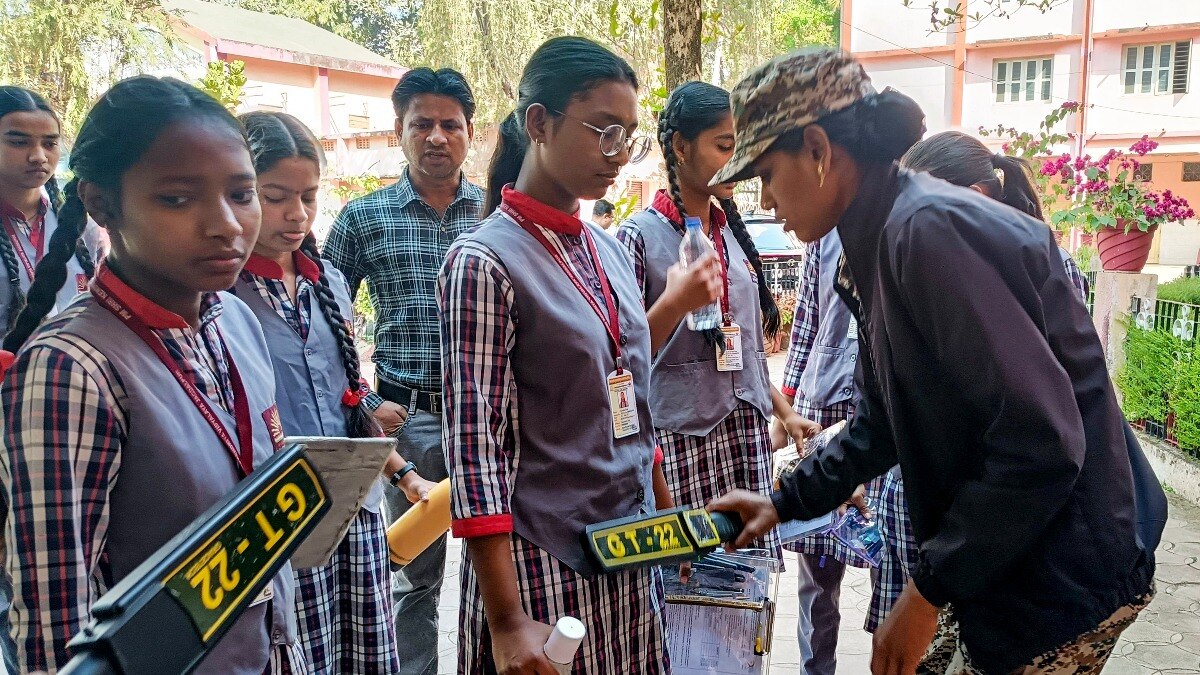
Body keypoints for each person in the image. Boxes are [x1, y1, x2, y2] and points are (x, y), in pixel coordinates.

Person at [709, 49, 1166, 675]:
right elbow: (884, 423)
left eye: (765, 171)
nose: (765, 197)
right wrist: (784, 501)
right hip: (1005, 552)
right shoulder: (873, 237)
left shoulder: (926, 230)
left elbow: (1040, 442)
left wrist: (924, 593)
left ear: (817, 150)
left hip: (1065, 567)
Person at [0, 76, 305, 673]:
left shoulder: (236, 320)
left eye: (242, 195)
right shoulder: (70, 370)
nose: (226, 225)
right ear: (101, 204)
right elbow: (56, 625)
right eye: (177, 199)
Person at [440, 36, 704, 673]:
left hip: (626, 549)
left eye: (629, 136)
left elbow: (633, 406)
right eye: (602, 131)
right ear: (538, 123)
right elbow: (478, 451)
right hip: (541, 564)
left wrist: (669, 519)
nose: (617, 155)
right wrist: (505, 620)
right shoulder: (484, 263)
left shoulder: (607, 250)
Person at [234, 111, 439, 673]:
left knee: (363, 652)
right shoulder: (221, 298)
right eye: (275, 197)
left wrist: (402, 473)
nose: (296, 214)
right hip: (278, 522)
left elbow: (348, 404)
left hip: (353, 512)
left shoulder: (329, 283)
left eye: (308, 196)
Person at [615, 81, 817, 568]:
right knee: (690, 589)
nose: (738, 159)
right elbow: (620, 354)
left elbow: (742, 350)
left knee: (746, 585)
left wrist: (784, 412)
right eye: (725, 146)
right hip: (679, 445)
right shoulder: (638, 238)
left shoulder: (730, 236)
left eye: (741, 146)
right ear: (681, 147)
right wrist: (675, 302)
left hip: (742, 438)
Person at [324, 66, 483, 675]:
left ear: (471, 133)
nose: (437, 136)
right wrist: (362, 400)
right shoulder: (366, 218)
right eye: (423, 124)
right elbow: (320, 314)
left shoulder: (496, 213)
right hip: (408, 425)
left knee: (507, 559)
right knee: (413, 576)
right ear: (400, 131)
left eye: (450, 124)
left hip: (488, 424)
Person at [776, 219, 884, 674]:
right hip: (823, 404)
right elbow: (806, 320)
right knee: (819, 568)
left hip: (883, 416)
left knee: (889, 551)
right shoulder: (824, 232)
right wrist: (789, 402)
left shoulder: (906, 225)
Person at [901, 131, 1090, 302]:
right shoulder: (922, 266)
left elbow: (1071, 339)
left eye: (921, 204)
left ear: (973, 196)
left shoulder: (1048, 265)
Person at [0, 87, 100, 339]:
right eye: (18, 142)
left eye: (50, 143)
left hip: (68, 373)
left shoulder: (81, 225)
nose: (38, 156)